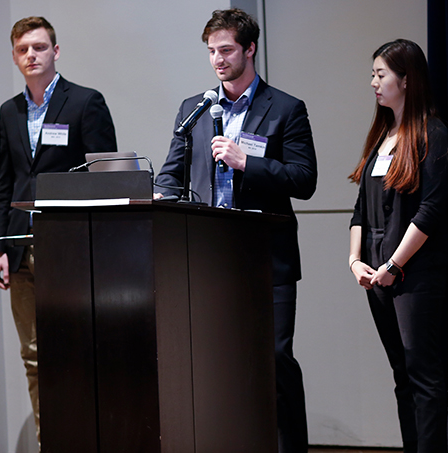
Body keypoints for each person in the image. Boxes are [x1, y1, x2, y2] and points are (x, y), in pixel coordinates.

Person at [154, 8, 317, 452]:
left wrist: (249, 162)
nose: (217, 60)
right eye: (210, 51)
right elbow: (170, 175)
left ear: (249, 49)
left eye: (226, 50)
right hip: (210, 258)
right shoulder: (196, 109)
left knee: (274, 359)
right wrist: (163, 200)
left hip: (267, 258)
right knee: (217, 363)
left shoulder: (285, 108)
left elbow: (305, 180)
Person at [0, 16, 117, 443]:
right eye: (23, 49)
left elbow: (105, 179)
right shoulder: (10, 111)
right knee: (34, 357)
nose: (32, 55)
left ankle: (87, 439)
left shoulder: (85, 103)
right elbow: (6, 181)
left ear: (55, 51)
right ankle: (52, 442)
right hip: (21, 250)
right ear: (14, 56)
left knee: (77, 351)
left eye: (40, 47)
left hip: (70, 250)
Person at [348, 39, 448, 453]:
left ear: (406, 80)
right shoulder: (383, 136)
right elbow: (360, 210)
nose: (373, 82)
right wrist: (355, 260)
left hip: (413, 273)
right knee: (401, 374)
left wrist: (393, 263)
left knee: (424, 374)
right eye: (373, 74)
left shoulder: (433, 134)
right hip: (376, 274)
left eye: (381, 74)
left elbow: (430, 211)